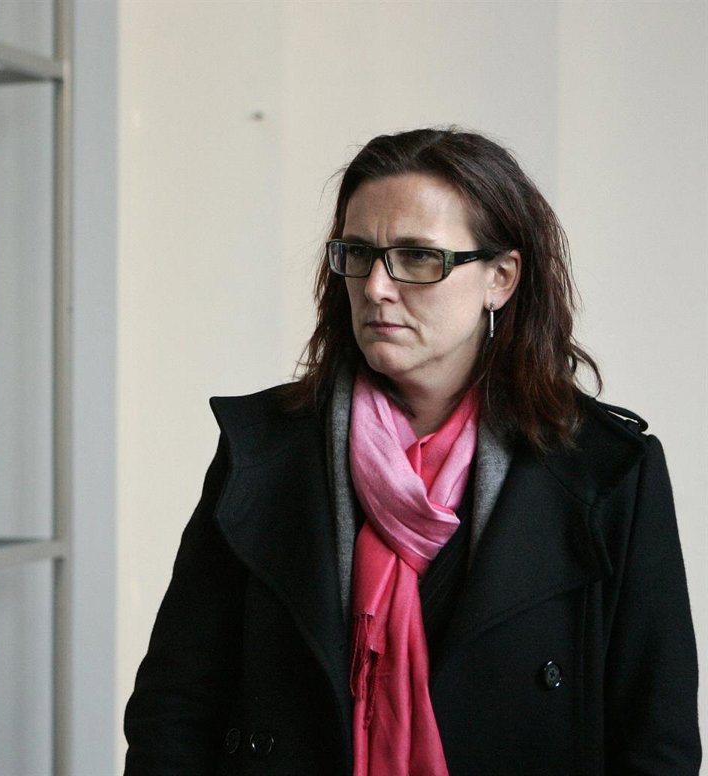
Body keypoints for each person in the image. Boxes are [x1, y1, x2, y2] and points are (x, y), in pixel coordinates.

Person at [123, 128, 699, 775]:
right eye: (358, 253)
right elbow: (174, 710)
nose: (376, 286)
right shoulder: (264, 450)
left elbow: (658, 741)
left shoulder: (607, 471)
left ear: (500, 278)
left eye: (419, 257)